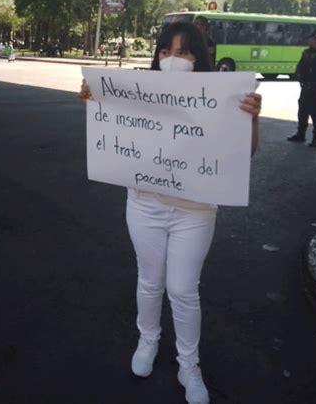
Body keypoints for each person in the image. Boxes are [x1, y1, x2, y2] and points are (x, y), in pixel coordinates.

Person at [79, 22, 262, 404]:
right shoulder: (141, 92)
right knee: (149, 281)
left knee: (182, 289)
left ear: (200, 58)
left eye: (184, 52)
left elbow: (243, 154)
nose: (173, 60)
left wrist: (251, 118)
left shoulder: (222, 97)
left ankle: (188, 364)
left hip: (195, 212)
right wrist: (94, 101)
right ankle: (148, 340)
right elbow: (112, 125)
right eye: (165, 51)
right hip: (144, 203)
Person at [287, 30, 316, 147]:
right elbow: (301, 66)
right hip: (306, 85)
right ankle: (300, 134)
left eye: (311, 39)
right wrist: (299, 76)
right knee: (302, 111)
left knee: (315, 112)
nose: (309, 41)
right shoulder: (307, 52)